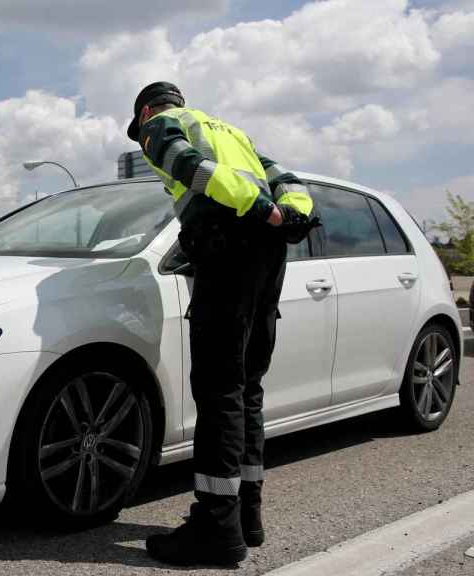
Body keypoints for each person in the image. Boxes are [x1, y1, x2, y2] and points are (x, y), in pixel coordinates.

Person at [127, 81, 317, 566]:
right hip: (267, 253)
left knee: (219, 389)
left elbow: (185, 163)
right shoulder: (230, 130)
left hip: (227, 241)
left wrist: (250, 205)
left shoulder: (161, 123)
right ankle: (246, 518)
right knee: (247, 387)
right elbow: (287, 178)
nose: (143, 135)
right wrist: (291, 215)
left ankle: (215, 527)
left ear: (148, 110)